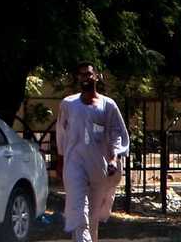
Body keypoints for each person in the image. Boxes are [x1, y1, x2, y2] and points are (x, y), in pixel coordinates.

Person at [55, 63, 128, 242]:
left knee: (92, 217)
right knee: (80, 212)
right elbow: (61, 133)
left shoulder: (108, 105)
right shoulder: (68, 104)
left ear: (96, 76)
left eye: (88, 74)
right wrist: (60, 160)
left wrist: (113, 158)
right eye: (81, 75)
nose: (85, 78)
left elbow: (116, 134)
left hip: (98, 166)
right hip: (74, 164)